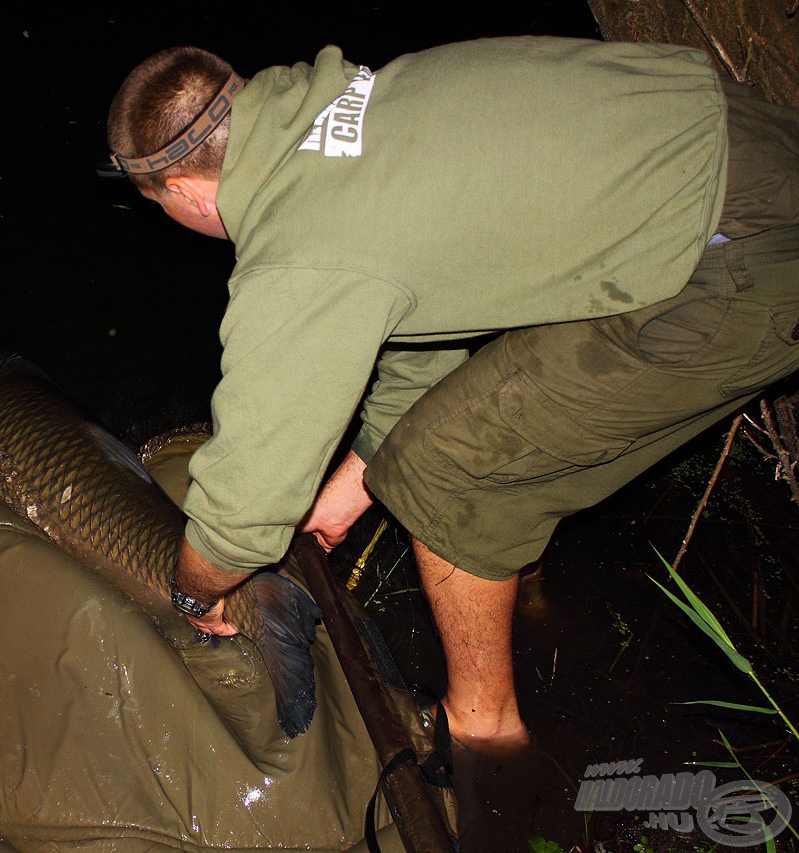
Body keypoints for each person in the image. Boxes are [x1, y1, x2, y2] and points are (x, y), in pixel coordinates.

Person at [106, 38, 799, 752]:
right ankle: (517, 578)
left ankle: (484, 731)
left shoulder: (295, 255)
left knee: (441, 471)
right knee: (468, 428)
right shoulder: (341, 109)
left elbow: (247, 500)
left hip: (740, 256)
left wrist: (194, 587)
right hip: (737, 139)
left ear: (185, 193)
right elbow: (421, 317)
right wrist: (354, 483)